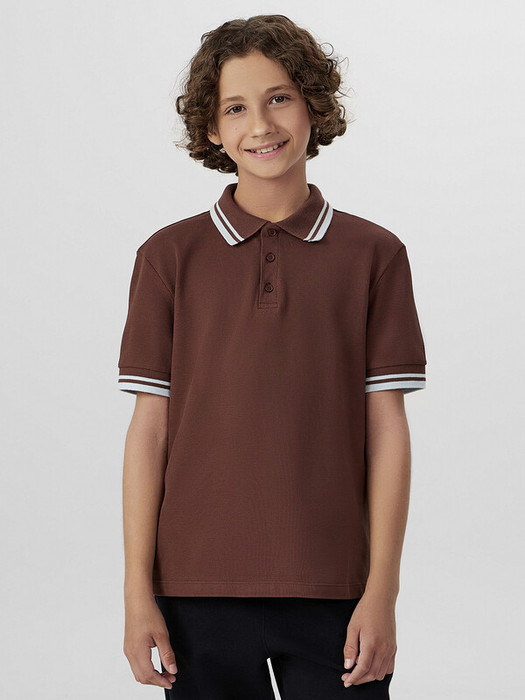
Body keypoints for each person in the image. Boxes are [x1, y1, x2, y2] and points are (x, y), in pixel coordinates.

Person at [118, 14, 427, 699]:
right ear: (210, 128)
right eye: (235, 107)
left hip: (336, 592)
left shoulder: (375, 256)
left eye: (279, 97)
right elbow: (148, 434)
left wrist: (382, 592)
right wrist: (138, 594)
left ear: (313, 104)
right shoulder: (167, 258)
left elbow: (387, 432)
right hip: (194, 592)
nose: (260, 124)